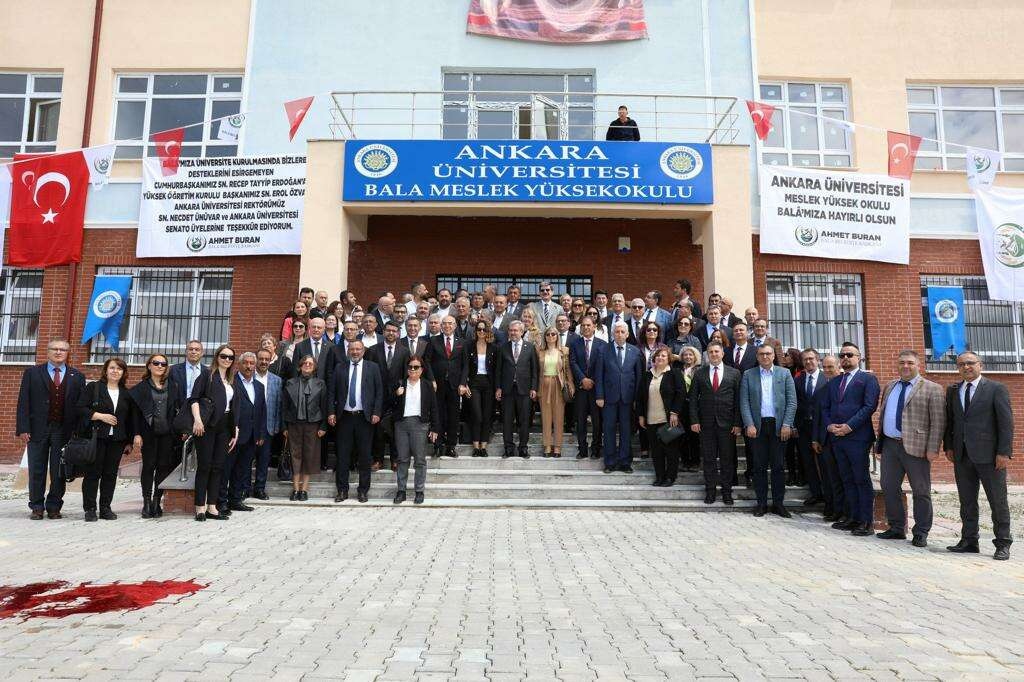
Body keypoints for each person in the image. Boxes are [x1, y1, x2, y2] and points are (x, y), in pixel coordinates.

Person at [943, 351, 1014, 560]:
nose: (966, 367)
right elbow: (951, 421)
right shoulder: (954, 390)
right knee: (967, 501)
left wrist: (1004, 452)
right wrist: (949, 446)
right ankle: (969, 540)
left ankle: (1003, 543)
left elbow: (1006, 423)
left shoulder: (995, 389)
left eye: (970, 363)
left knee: (997, 501)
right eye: (961, 364)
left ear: (980, 365)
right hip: (962, 455)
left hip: (990, 456)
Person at [872, 350, 945, 548]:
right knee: (888, 486)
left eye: (910, 363)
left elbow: (938, 422)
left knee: (921, 491)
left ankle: (921, 532)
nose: (905, 366)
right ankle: (896, 527)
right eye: (902, 362)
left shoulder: (933, 388)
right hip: (890, 445)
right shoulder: (890, 386)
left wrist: (933, 449)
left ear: (918, 365)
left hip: (918, 448)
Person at [16, 337, 86, 520]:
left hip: (63, 431)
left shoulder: (77, 376)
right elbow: (23, 402)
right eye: (54, 349)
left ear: (67, 353)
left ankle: (54, 506)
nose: (58, 352)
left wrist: (78, 432)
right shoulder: (32, 373)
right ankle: (37, 506)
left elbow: (80, 406)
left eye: (62, 349)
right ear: (47, 351)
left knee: (59, 470)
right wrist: (23, 428)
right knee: (36, 469)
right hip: (37, 429)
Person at [821, 342, 881, 537]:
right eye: (843, 355)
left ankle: (866, 521)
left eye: (850, 355)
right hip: (837, 437)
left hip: (857, 437)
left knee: (860, 479)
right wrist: (829, 425)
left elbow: (869, 406)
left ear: (859, 358)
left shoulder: (868, 379)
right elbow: (826, 407)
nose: (846, 358)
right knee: (846, 478)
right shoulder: (834, 382)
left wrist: (849, 426)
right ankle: (852, 517)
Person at [739, 345, 797, 518]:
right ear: (757, 357)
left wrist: (787, 424)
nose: (765, 357)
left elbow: (792, 402)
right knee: (759, 466)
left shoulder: (784, 374)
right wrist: (749, 423)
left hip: (779, 426)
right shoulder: (749, 375)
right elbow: (744, 403)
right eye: (762, 354)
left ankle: (778, 504)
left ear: (773, 356)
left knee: (778, 466)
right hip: (757, 426)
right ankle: (761, 503)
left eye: (768, 354)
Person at [76, 358, 133, 522]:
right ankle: (90, 509)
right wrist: (100, 416)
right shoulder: (93, 388)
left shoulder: (126, 393)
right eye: (112, 368)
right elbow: (80, 408)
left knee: (110, 475)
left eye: (119, 369)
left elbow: (128, 420)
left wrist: (128, 441)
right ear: (106, 370)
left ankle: (105, 508)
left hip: (117, 440)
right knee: (93, 474)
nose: (116, 371)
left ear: (123, 373)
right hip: (96, 438)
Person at [190, 344, 241, 522]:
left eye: (230, 357)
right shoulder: (207, 375)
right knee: (205, 466)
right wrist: (197, 420)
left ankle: (212, 507)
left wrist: (235, 428)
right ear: (217, 356)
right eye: (224, 356)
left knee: (218, 466)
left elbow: (234, 406)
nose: (227, 360)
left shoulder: (232, 379)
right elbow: (194, 399)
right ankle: (200, 508)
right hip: (207, 425)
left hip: (225, 426)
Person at [688, 341, 742, 505]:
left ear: (723, 353)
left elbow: (739, 400)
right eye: (710, 352)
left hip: (727, 425)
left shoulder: (734, 373)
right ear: (707, 355)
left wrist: (737, 423)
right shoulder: (699, 373)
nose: (714, 354)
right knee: (709, 460)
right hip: (706, 424)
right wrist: (694, 420)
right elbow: (692, 400)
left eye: (716, 351)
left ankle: (727, 492)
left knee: (727, 460)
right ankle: (710, 492)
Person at [329, 340, 383, 503]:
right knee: (343, 456)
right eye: (352, 349)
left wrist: (376, 412)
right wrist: (331, 412)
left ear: (363, 351)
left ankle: (363, 491)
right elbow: (332, 392)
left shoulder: (372, 368)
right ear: (348, 351)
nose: (355, 352)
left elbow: (379, 392)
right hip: (344, 417)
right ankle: (342, 491)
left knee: (365, 456)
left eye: (358, 349)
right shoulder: (340, 368)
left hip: (365, 418)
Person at [129, 353, 181, 518]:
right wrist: (136, 434)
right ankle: (146, 503)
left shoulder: (173, 386)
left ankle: (156, 501)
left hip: (167, 433)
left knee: (163, 467)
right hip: (148, 433)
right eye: (156, 363)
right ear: (149, 365)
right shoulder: (141, 388)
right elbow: (135, 414)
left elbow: (177, 410)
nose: (160, 366)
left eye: (163, 364)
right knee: (149, 466)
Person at [218, 352, 267, 516]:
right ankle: (221, 501)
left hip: (252, 436)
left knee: (243, 470)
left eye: (251, 363)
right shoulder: (232, 382)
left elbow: (262, 411)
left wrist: (260, 434)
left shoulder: (259, 386)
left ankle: (236, 500)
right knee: (226, 469)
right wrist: (232, 430)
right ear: (238, 365)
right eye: (245, 363)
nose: (248, 366)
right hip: (234, 435)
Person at [596, 322, 643, 474]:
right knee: (608, 429)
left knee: (626, 430)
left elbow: (638, 378)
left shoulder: (635, 351)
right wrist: (600, 395)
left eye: (623, 332)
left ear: (628, 334)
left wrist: (637, 399)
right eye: (617, 332)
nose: (620, 334)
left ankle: (625, 462)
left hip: (628, 399)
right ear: (612, 333)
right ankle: (609, 462)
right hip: (609, 398)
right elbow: (599, 375)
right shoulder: (603, 350)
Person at [393, 356, 440, 504]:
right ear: (407, 369)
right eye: (410, 367)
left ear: (422, 370)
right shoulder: (400, 384)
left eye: (416, 367)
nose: (413, 369)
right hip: (401, 424)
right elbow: (388, 404)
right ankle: (401, 491)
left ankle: (419, 491)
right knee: (402, 459)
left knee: (420, 460)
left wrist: (435, 428)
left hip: (420, 425)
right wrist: (396, 395)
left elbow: (434, 408)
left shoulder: (426, 386)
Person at [282, 355, 328, 501]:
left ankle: (304, 490)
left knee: (309, 456)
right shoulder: (290, 383)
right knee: (295, 455)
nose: (307, 365)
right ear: (300, 366)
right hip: (294, 424)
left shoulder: (320, 384)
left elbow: (324, 406)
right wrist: (284, 426)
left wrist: (323, 426)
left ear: (314, 367)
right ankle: (295, 489)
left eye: (310, 363)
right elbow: (283, 407)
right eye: (305, 363)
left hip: (313, 425)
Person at [637, 347, 684, 487]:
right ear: (653, 359)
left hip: (668, 420)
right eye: (657, 356)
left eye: (664, 356)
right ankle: (659, 477)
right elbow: (640, 397)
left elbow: (681, 394)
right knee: (656, 452)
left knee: (670, 451)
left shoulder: (674, 373)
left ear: (668, 359)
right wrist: (640, 415)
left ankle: (670, 477)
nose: (660, 358)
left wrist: (675, 412)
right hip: (651, 419)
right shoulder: (647, 375)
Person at [425, 315, 469, 458]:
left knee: (453, 417)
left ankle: (451, 446)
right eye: (444, 324)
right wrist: (431, 380)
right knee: (437, 416)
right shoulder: (433, 341)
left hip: (455, 386)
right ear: (441, 326)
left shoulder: (461, 342)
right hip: (437, 385)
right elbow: (427, 362)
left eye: (450, 323)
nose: (447, 326)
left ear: (455, 325)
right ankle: (437, 446)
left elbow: (465, 366)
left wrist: (462, 383)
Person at [496, 320, 539, 458]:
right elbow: (498, 371)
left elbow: (535, 370)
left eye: (515, 330)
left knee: (524, 421)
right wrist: (498, 388)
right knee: (507, 420)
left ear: (522, 332)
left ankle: (523, 448)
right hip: (507, 390)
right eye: (511, 330)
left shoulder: (530, 347)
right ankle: (508, 448)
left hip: (524, 390)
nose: (513, 333)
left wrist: (534, 388)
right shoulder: (503, 347)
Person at [811, 355, 844, 521]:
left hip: (843, 438)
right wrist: (815, 439)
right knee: (828, 477)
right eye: (825, 367)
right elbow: (817, 416)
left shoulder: (845, 386)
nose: (828, 370)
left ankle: (842, 510)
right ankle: (831, 507)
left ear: (839, 367)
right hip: (825, 440)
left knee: (842, 477)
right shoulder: (822, 390)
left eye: (831, 367)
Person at [570, 316, 606, 461]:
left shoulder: (602, 344)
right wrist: (583, 379)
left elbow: (603, 367)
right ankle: (582, 449)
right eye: (583, 325)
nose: (585, 328)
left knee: (597, 422)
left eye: (588, 325)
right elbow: (572, 363)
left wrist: (593, 381)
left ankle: (596, 449)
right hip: (581, 389)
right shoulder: (574, 343)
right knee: (581, 421)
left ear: (594, 326)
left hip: (596, 389)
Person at [794, 349, 826, 509]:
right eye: (805, 359)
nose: (808, 362)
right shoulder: (798, 380)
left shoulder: (826, 378)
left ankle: (829, 497)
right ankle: (816, 494)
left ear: (818, 360)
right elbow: (795, 403)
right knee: (808, 462)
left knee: (825, 463)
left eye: (811, 359)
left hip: (822, 427)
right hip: (804, 427)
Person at [537, 327, 574, 458]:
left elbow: (568, 369)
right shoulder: (540, 352)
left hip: (559, 385)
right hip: (544, 386)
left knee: (559, 417)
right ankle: (547, 445)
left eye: (554, 334)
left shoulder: (563, 351)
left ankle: (557, 447)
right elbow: (536, 371)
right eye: (548, 334)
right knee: (546, 417)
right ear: (545, 336)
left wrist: (571, 385)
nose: (551, 336)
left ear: (557, 336)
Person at [252, 348, 283, 500]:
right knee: (246, 459)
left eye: (267, 359)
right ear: (256, 360)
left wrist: (276, 426)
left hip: (268, 426)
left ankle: (259, 489)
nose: (264, 362)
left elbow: (278, 405)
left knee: (264, 460)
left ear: (270, 361)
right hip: (250, 426)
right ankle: (244, 487)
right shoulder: (248, 377)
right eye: (261, 359)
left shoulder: (277, 380)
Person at [464, 320, 498, 457]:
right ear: (475, 330)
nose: (481, 332)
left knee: (487, 416)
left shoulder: (494, 347)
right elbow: (465, 366)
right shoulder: (469, 346)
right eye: (479, 329)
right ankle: (475, 446)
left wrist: (498, 387)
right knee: (477, 415)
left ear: (488, 331)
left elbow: (496, 370)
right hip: (474, 383)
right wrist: (464, 383)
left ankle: (483, 447)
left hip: (489, 384)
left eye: (484, 329)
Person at [675, 345, 702, 471]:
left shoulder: (700, 370)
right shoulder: (677, 369)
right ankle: (685, 461)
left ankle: (695, 462)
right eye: (685, 354)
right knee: (682, 435)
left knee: (694, 436)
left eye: (690, 354)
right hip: (681, 407)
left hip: (696, 407)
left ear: (695, 356)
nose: (688, 357)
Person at [170, 340, 206, 405]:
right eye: (191, 349)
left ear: (202, 353)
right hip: (179, 410)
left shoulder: (208, 371)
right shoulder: (174, 370)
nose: (193, 352)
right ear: (186, 352)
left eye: (197, 349)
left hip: (201, 411)